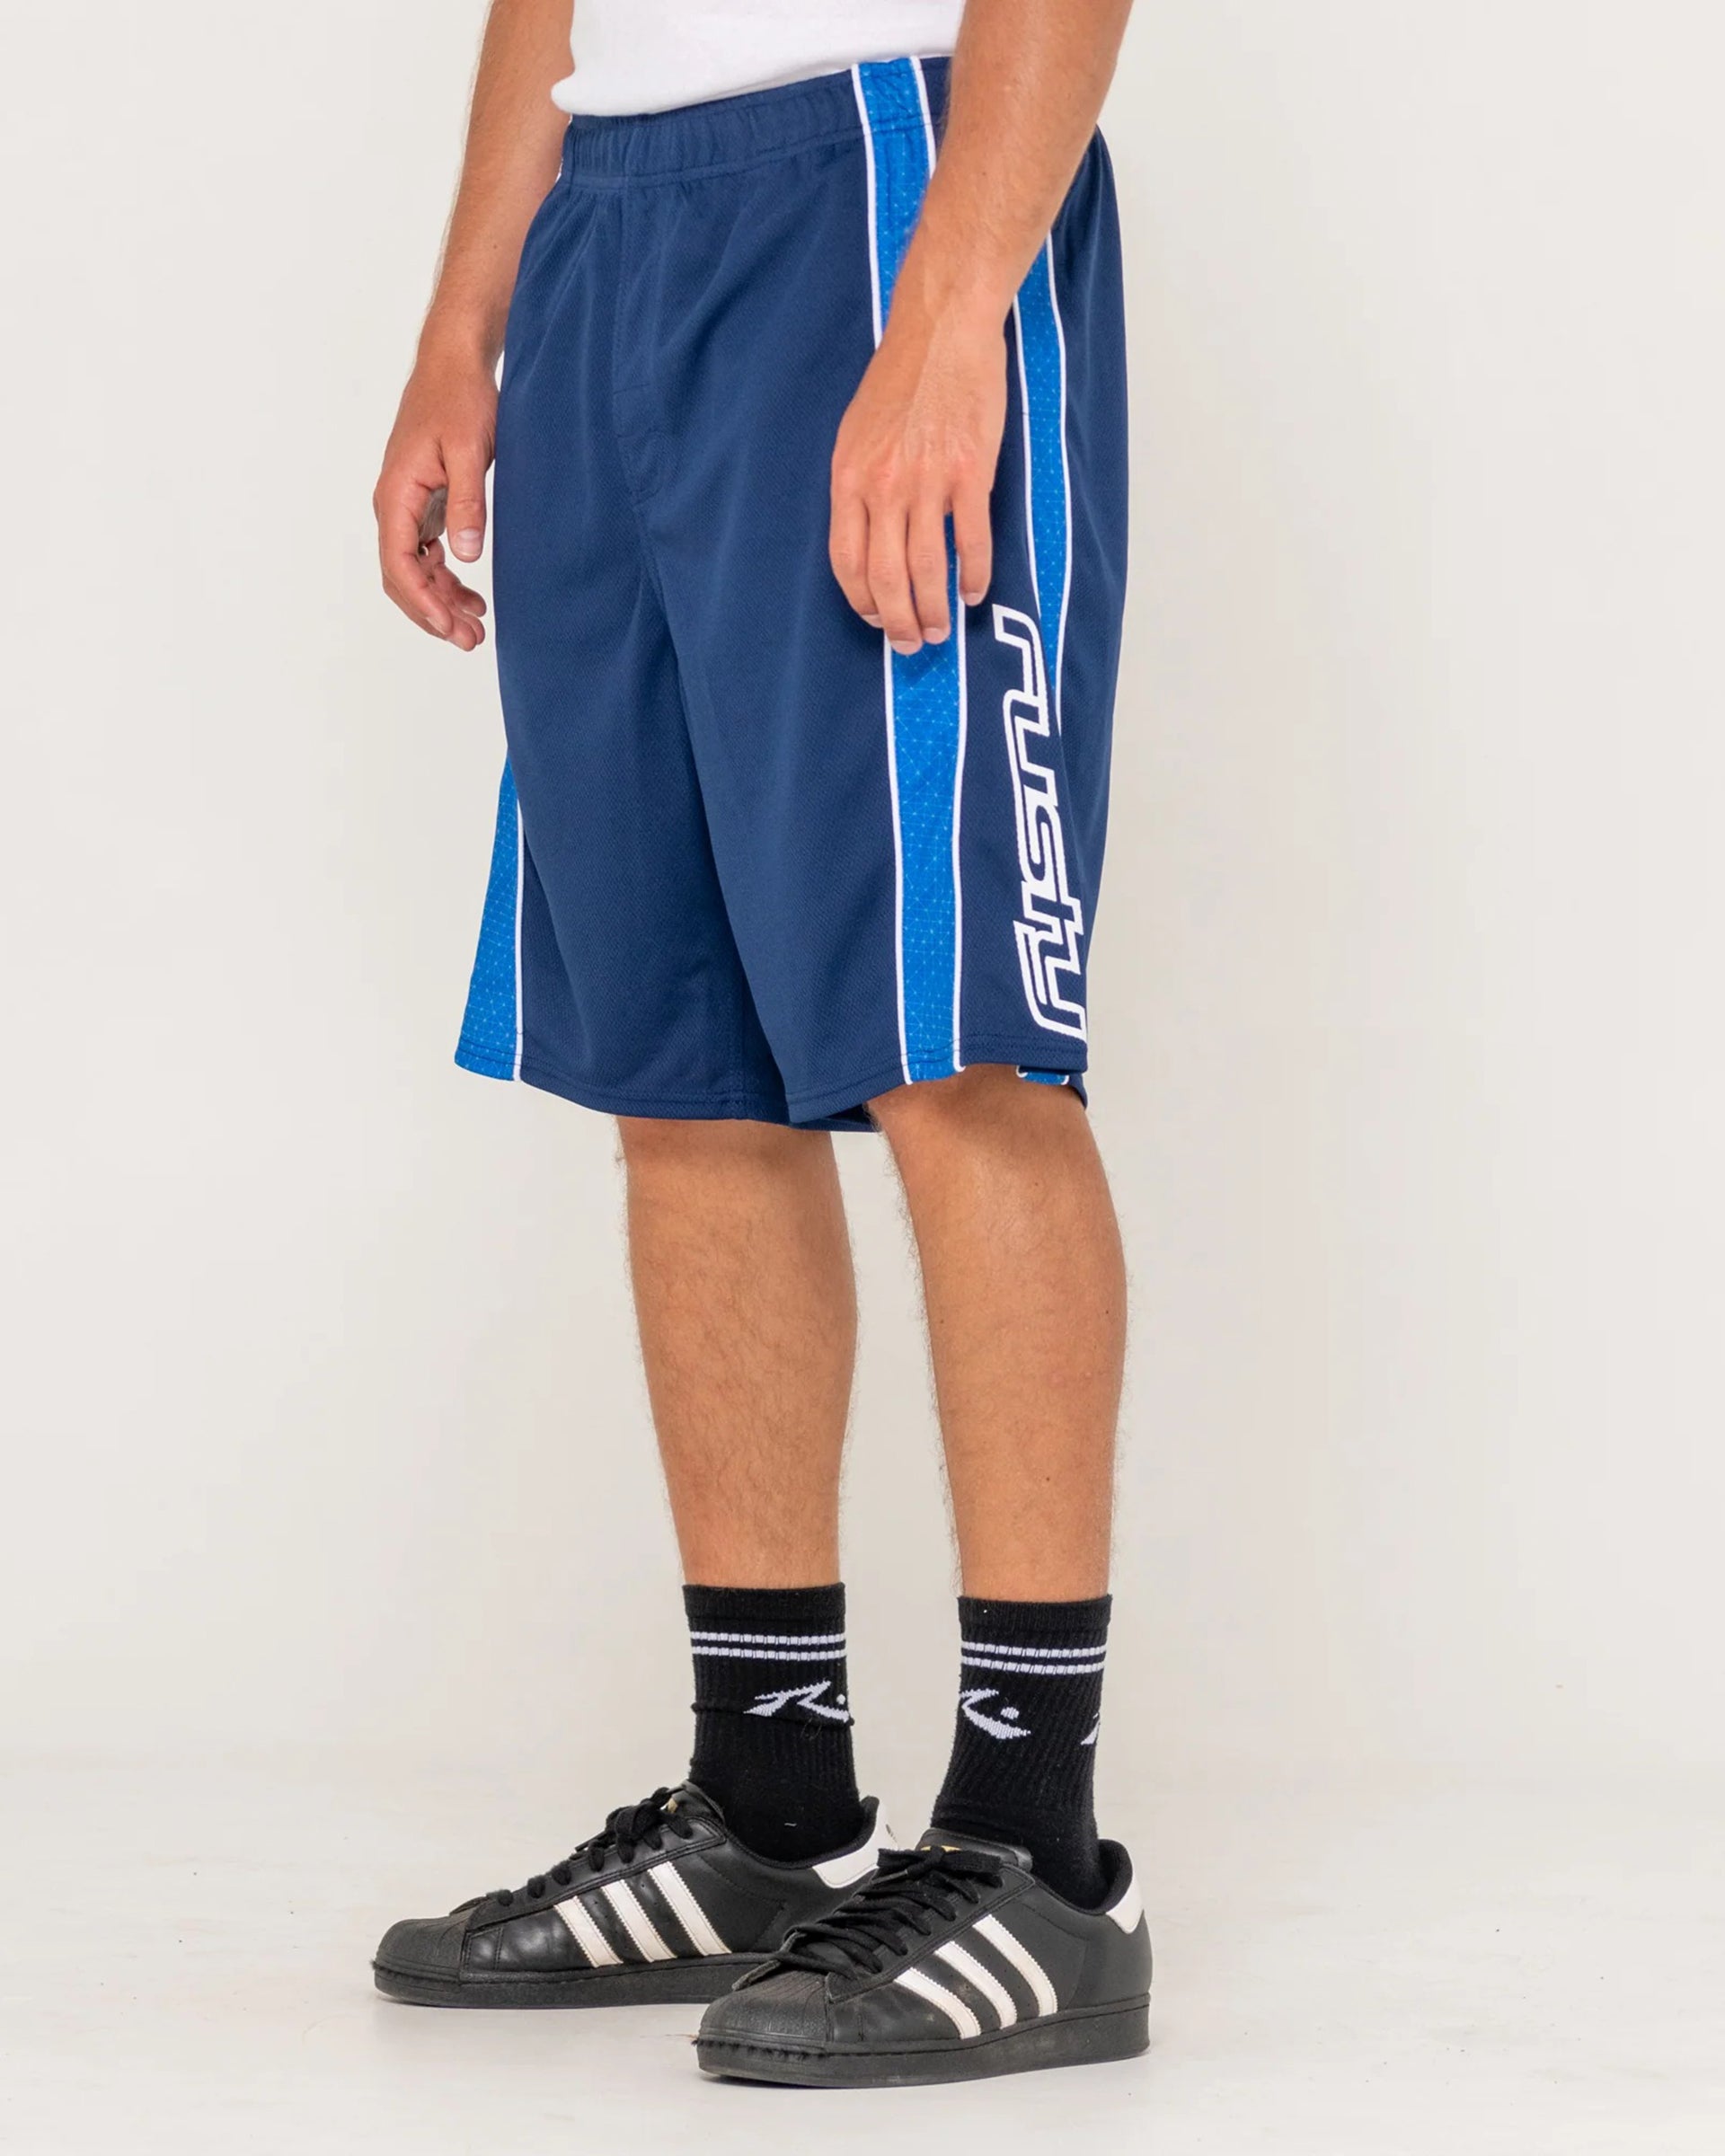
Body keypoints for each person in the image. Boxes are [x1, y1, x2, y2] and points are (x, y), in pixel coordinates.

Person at [369, 0, 1146, 2087]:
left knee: (954, 1045)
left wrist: (957, 304)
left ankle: (1039, 1851)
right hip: (608, 223)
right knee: (678, 1066)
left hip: (882, 185)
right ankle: (769, 1804)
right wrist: (470, 317)